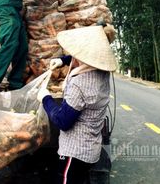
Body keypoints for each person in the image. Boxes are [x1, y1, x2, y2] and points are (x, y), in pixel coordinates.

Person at [37, 25, 117, 183]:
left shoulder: (80, 84)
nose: (73, 56)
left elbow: (63, 121)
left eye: (75, 55)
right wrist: (62, 61)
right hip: (90, 150)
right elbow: (85, 58)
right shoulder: (101, 72)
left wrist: (45, 98)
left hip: (74, 153)